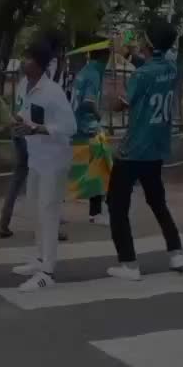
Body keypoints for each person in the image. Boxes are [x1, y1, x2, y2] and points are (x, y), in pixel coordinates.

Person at [106, 19, 183, 281]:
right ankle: (176, 252)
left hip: (133, 151)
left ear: (149, 43)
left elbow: (119, 105)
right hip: (156, 149)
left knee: (116, 205)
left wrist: (114, 92)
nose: (140, 42)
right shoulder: (171, 68)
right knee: (157, 201)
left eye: (143, 39)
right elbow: (150, 66)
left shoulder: (140, 76)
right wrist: (127, 53)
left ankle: (129, 264)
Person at [10, 33, 78, 292]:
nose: (22, 62)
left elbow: (70, 127)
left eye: (27, 58)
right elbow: (23, 114)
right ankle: (40, 259)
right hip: (36, 158)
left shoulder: (53, 92)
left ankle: (47, 272)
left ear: (38, 64)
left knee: (48, 212)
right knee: (35, 209)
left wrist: (39, 129)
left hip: (54, 160)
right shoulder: (22, 85)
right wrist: (16, 123)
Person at [0, 30, 68, 241]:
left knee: (20, 175)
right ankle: (52, 227)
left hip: (24, 130)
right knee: (47, 180)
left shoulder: (25, 79)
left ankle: (4, 222)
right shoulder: (49, 74)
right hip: (37, 135)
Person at [67, 35, 113, 225]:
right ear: (103, 56)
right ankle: (96, 213)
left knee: (76, 170)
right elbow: (89, 101)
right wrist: (99, 116)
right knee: (100, 169)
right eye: (108, 55)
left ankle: (53, 209)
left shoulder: (84, 71)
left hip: (77, 127)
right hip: (89, 129)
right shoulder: (94, 74)